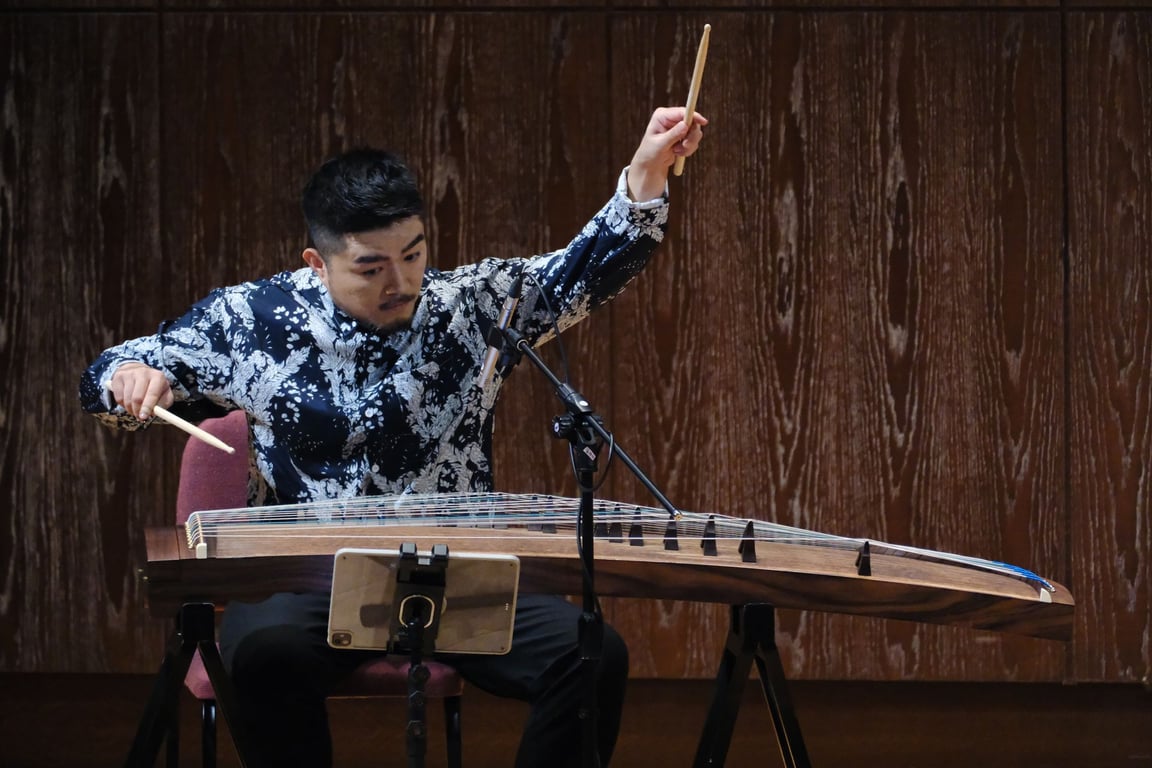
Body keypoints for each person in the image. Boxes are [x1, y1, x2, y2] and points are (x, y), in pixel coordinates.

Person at [80, 106, 707, 767]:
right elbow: (115, 372)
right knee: (263, 656)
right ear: (318, 263)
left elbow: (583, 269)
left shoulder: (469, 307)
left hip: (452, 573)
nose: (401, 282)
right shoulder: (252, 321)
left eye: (413, 254)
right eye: (371, 267)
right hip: (304, 581)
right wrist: (129, 378)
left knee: (591, 655)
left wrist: (646, 174)